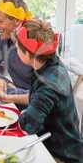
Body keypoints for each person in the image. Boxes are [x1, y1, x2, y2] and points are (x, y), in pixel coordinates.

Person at [15, 19, 83, 163]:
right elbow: (36, 99)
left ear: (27, 54)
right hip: (61, 143)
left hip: (61, 155)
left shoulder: (48, 84)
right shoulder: (51, 63)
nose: (15, 49)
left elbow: (29, 126)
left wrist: (24, 114)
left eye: (17, 48)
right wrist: (8, 98)